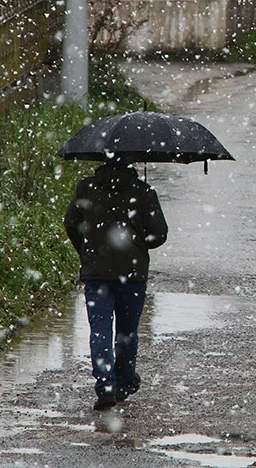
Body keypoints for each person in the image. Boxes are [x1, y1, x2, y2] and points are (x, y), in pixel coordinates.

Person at [64, 160, 168, 410]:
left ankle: (105, 388)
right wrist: (139, 244)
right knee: (127, 332)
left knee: (100, 330)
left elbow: (71, 224)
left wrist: (87, 250)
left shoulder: (86, 188)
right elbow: (159, 234)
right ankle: (123, 382)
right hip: (132, 274)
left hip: (96, 272)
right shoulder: (143, 192)